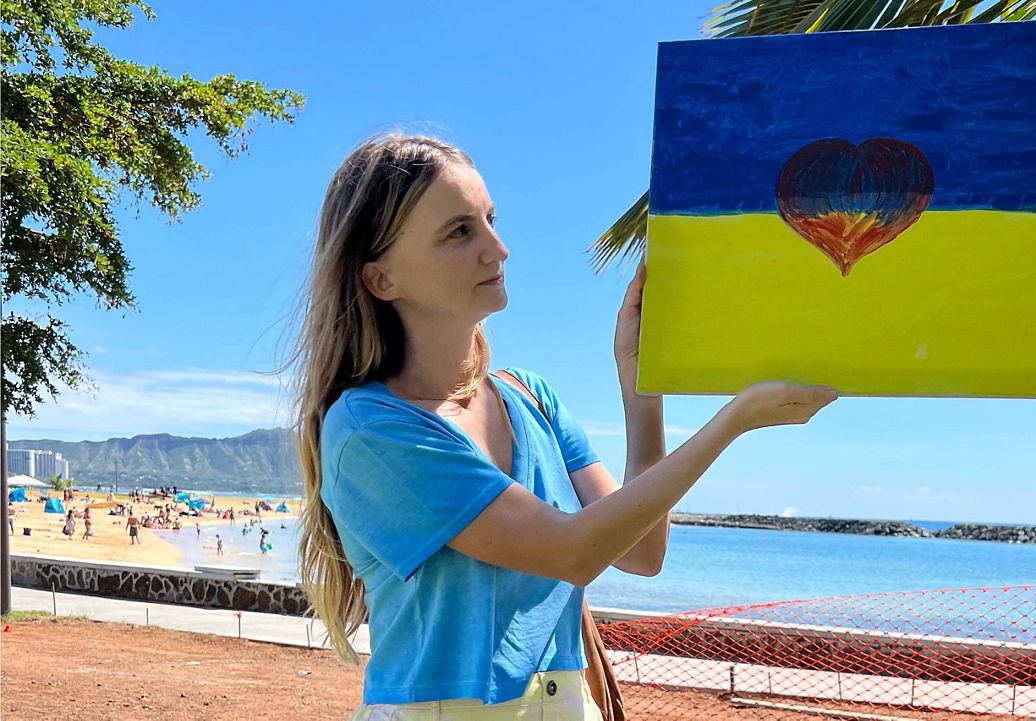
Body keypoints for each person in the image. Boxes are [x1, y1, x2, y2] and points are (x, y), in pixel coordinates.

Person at [291, 134, 837, 719]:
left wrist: (640, 379)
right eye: (459, 232)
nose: (497, 249)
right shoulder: (372, 429)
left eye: (490, 220)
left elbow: (643, 550)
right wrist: (735, 420)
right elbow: (570, 552)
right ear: (381, 279)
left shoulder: (532, 398)